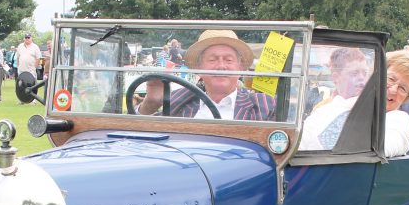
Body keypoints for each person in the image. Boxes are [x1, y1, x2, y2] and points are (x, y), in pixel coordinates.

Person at [138, 29, 275, 121]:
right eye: (212, 60)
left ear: (241, 68)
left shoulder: (265, 105)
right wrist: (150, 103)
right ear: (198, 68)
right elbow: (139, 137)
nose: (221, 66)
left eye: (228, 60)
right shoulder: (180, 100)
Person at [298, 47, 370, 150]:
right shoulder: (321, 110)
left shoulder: (372, 107)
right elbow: (303, 143)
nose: (361, 78)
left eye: (365, 73)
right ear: (336, 77)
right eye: (354, 73)